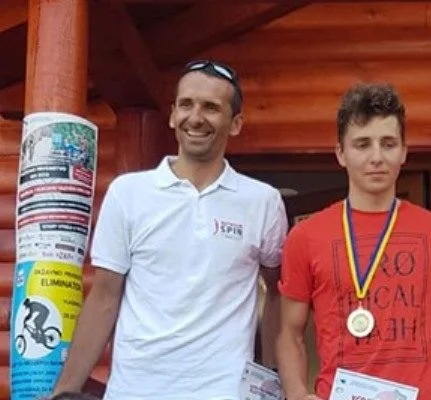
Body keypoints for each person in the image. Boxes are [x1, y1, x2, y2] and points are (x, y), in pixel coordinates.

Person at [52, 60, 288, 399]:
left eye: (211, 107)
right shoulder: (127, 193)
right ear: (173, 115)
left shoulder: (262, 201)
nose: (196, 117)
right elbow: (103, 297)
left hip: (225, 392)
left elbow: (278, 293)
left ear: (235, 123)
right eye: (186, 104)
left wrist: (269, 382)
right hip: (134, 391)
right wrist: (64, 391)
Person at [276, 83, 431, 400]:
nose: (377, 157)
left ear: (404, 151)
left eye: (388, 144)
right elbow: (290, 334)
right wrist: (297, 394)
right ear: (341, 153)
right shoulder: (305, 236)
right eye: (362, 144)